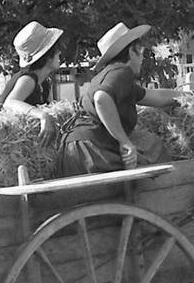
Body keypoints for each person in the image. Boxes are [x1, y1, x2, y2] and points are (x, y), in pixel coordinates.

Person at [58, 22, 181, 175]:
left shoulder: (110, 76)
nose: (142, 58)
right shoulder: (121, 71)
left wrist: (191, 97)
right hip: (92, 150)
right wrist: (124, 141)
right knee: (156, 156)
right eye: (141, 51)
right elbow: (101, 99)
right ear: (131, 52)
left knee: (151, 145)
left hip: (75, 149)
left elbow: (157, 96)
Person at [0, 20, 63, 146]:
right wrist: (42, 116)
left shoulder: (44, 83)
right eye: (56, 49)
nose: (59, 52)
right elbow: (10, 103)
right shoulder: (28, 79)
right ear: (48, 55)